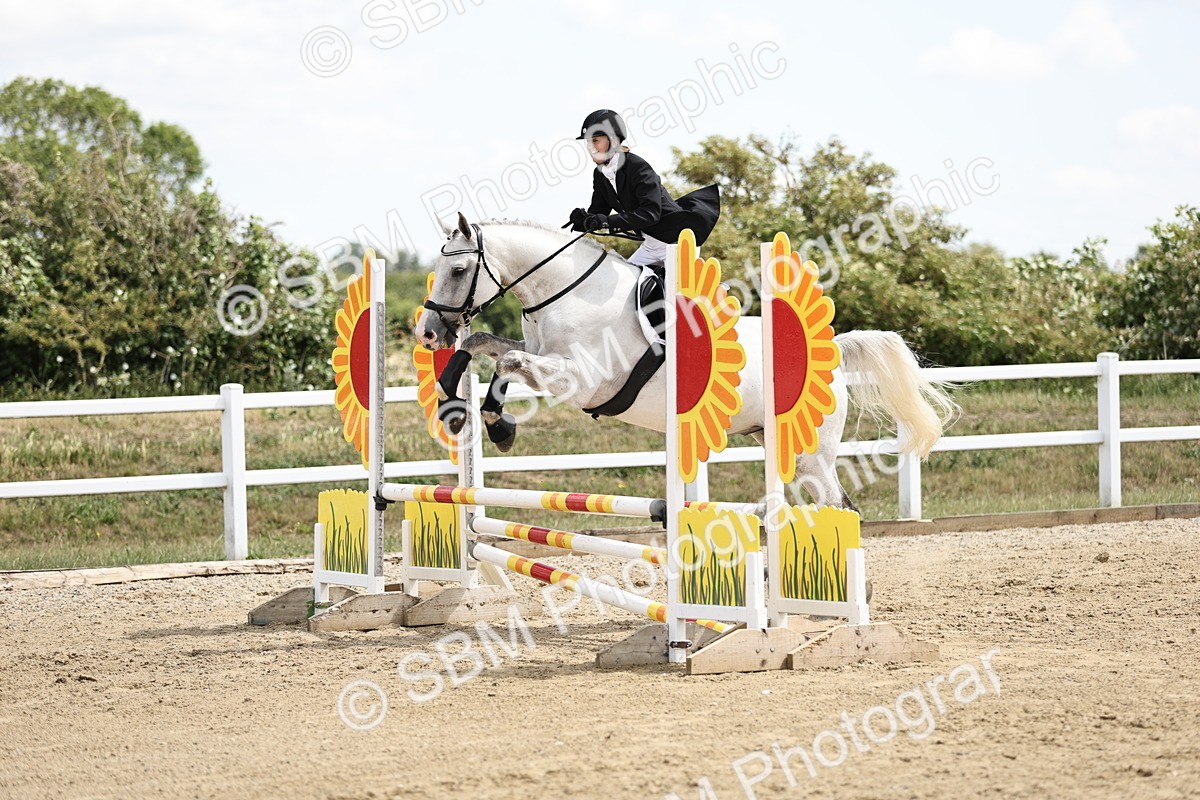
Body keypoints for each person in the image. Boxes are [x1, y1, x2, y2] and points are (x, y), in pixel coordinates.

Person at [567, 109, 720, 269]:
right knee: (627, 289)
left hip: (677, 242)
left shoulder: (637, 167)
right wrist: (583, 221)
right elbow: (600, 212)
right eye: (588, 142)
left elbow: (650, 213)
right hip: (650, 246)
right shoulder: (600, 174)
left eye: (595, 140)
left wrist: (606, 222)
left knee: (673, 294)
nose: (590, 147)